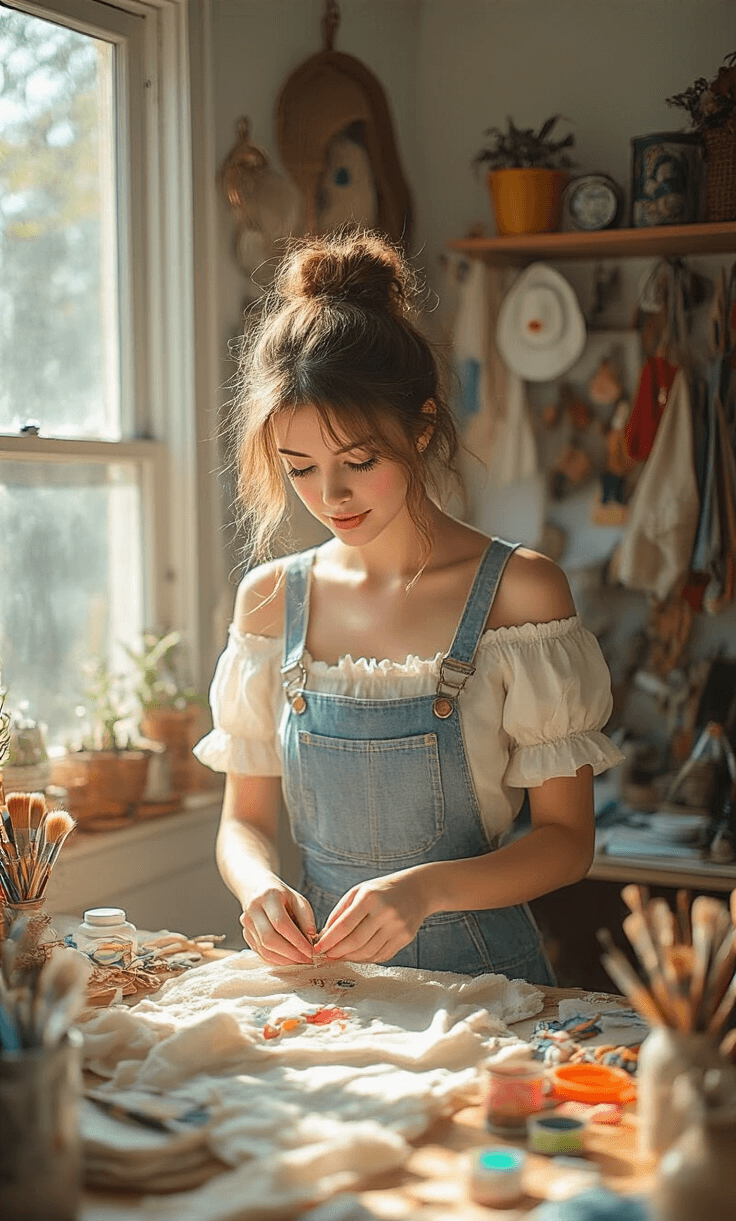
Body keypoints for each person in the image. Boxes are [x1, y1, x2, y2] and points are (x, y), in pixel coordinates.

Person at [194, 229, 623, 984]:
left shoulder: (521, 594)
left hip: (489, 987)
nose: (332, 497)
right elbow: (246, 820)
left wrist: (427, 889)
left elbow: (566, 841)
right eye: (301, 469)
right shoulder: (269, 601)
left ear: (421, 428)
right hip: (329, 982)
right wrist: (259, 886)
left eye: (359, 462)